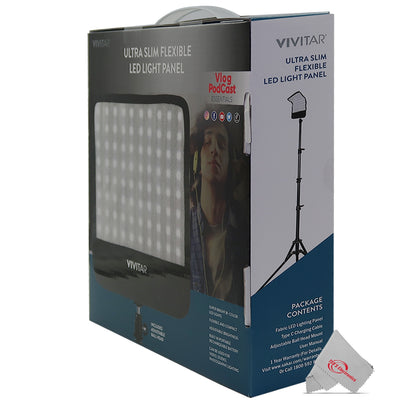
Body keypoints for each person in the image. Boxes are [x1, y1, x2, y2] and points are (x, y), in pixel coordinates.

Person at [190, 112, 249, 306]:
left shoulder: (243, 232)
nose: (214, 150)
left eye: (222, 145)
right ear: (197, 158)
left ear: (231, 161)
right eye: (207, 143)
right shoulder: (185, 227)